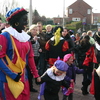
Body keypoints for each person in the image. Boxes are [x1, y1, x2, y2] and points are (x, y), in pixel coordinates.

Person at [0, 7, 40, 100]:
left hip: (23, 78)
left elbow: (30, 57)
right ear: (16, 22)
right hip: (7, 79)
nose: (26, 23)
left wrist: (36, 74)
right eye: (24, 20)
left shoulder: (25, 37)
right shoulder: (4, 36)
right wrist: (12, 75)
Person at [27, 24, 40, 92]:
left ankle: (30, 86)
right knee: (29, 72)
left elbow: (38, 45)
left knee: (32, 72)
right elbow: (28, 44)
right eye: (33, 29)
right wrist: (33, 41)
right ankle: (29, 87)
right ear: (30, 29)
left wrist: (40, 49)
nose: (34, 31)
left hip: (36, 56)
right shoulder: (28, 36)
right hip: (29, 57)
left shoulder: (35, 36)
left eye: (36, 30)